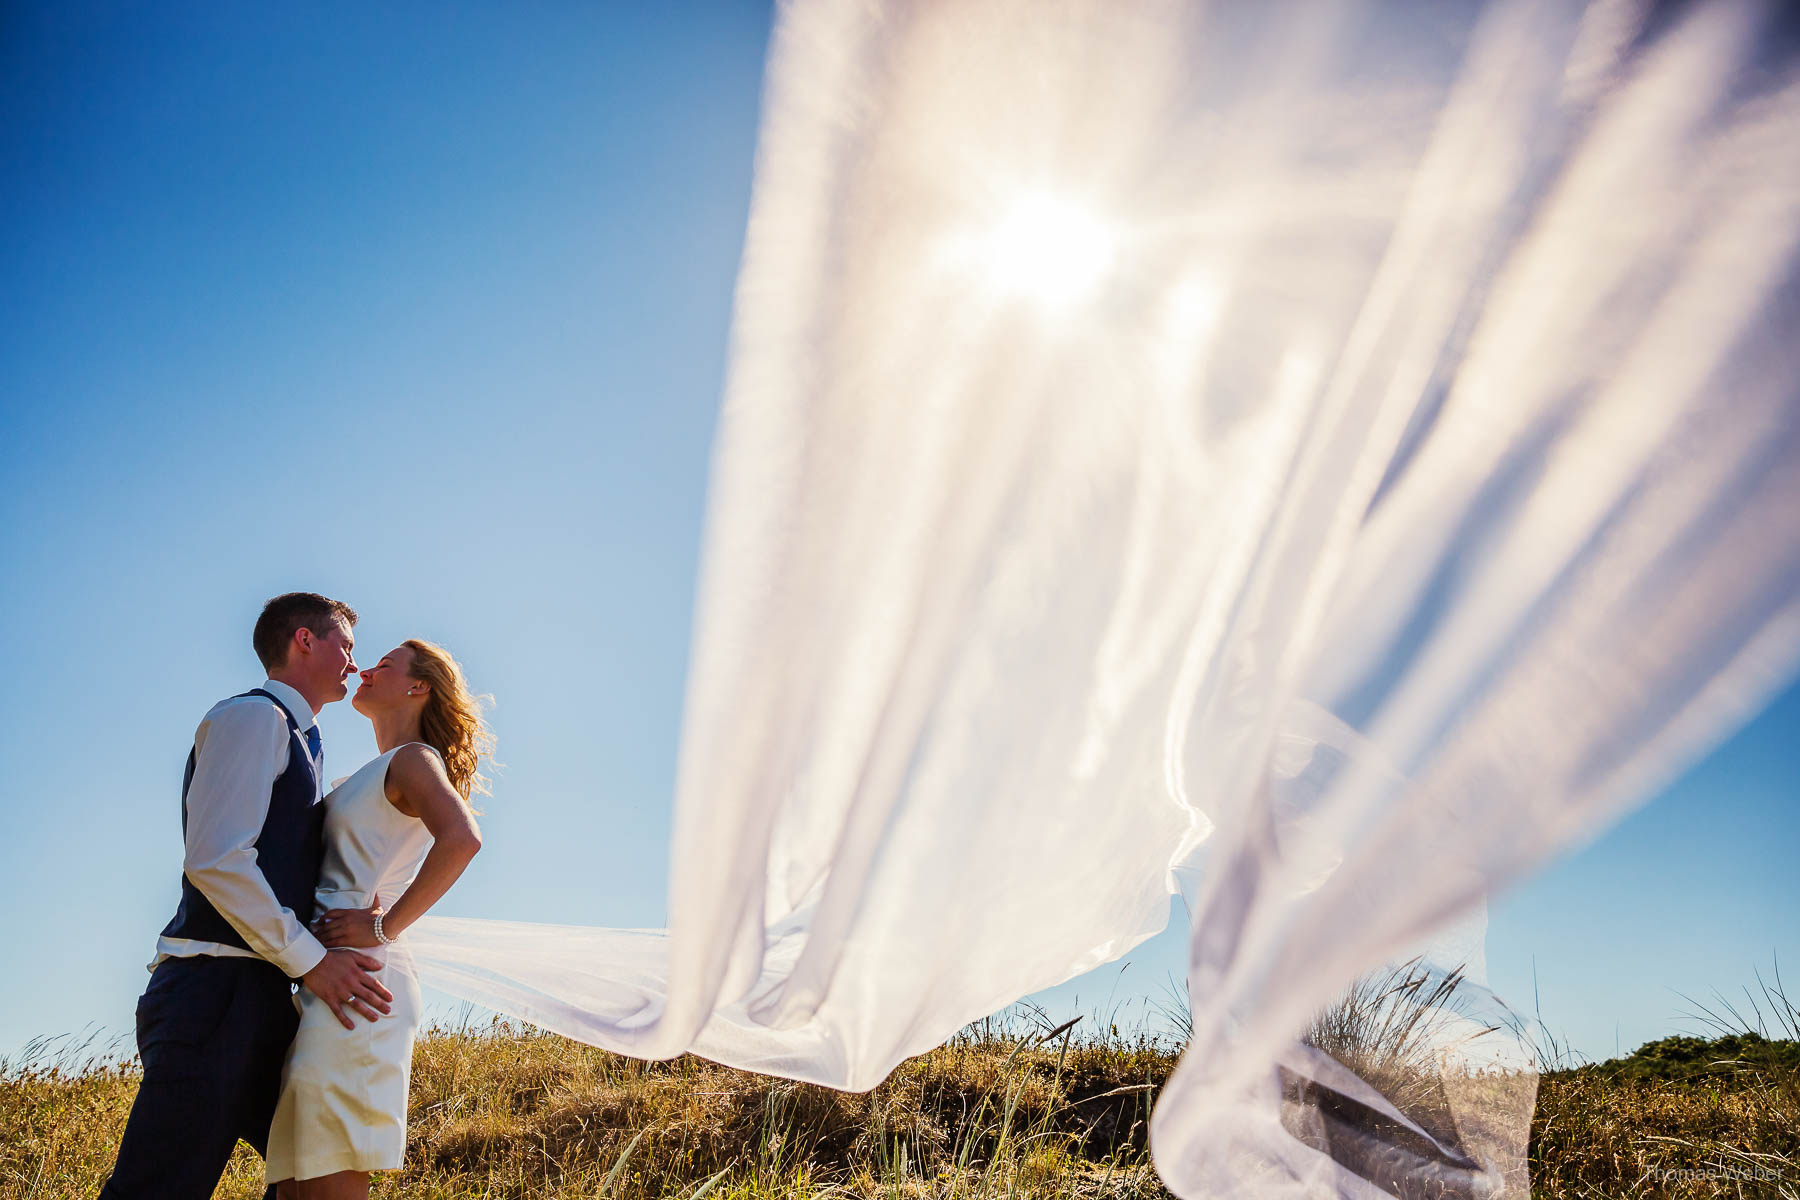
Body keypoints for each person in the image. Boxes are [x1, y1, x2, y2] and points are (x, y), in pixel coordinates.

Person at [101, 593, 396, 1200]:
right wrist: (315, 962)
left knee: (310, 1179)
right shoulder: (253, 718)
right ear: (304, 642)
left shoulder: (306, 743)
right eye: (345, 644)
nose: (353, 660)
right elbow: (217, 859)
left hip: (263, 1002)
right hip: (214, 995)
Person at [265, 639, 490, 1200]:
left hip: (365, 989)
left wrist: (384, 926)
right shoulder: (360, 776)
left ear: (418, 687)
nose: (366, 669)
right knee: (296, 1184)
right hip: (327, 984)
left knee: (330, 1176)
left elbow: (462, 839)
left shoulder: (415, 760)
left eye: (385, 665)